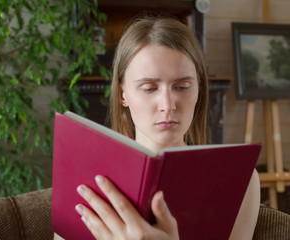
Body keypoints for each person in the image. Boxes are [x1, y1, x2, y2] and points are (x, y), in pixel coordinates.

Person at [55, 17, 260, 239]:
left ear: (199, 90)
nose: (168, 105)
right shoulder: (85, 175)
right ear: (123, 93)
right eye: (149, 88)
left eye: (182, 87)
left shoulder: (241, 178)